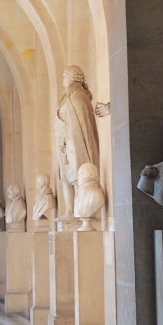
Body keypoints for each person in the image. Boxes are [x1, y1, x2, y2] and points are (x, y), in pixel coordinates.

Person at [56, 65, 100, 219]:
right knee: (65, 176)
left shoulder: (78, 96)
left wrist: (68, 140)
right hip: (65, 144)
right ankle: (70, 210)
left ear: (73, 77)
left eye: (65, 76)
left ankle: (79, 211)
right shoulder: (69, 96)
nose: (63, 80)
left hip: (75, 143)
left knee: (76, 175)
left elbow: (82, 127)